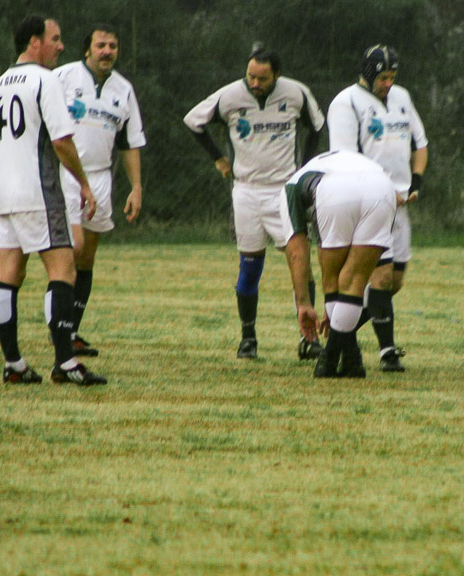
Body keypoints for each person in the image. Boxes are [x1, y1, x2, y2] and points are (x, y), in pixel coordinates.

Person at [0, 15, 106, 386]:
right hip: (39, 191)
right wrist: (83, 183)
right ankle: (66, 364)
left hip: (4, 193)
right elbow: (62, 141)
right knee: (63, 269)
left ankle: (14, 364)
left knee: (8, 274)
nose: (61, 46)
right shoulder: (45, 80)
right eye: (55, 38)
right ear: (34, 42)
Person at [183, 48, 326, 360]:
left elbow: (317, 125)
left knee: (299, 261)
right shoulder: (230, 96)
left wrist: (305, 167)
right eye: (251, 76)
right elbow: (193, 121)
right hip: (246, 190)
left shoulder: (296, 93)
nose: (255, 83)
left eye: (262, 78)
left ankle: (309, 338)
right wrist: (219, 159)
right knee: (250, 267)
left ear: (276, 74)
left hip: (284, 190)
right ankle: (248, 338)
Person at [326, 45, 428, 373]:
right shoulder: (346, 103)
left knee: (394, 282)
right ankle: (387, 353)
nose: (388, 84)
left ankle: (337, 336)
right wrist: (382, 190)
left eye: (392, 77)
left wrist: (415, 183)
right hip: (368, 200)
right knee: (380, 278)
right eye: (383, 77)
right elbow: (345, 158)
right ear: (369, 75)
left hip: (400, 202)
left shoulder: (402, 97)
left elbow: (420, 143)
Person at [54, 25, 146, 358]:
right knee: (73, 249)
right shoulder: (63, 77)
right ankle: (58, 324)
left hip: (101, 178)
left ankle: (72, 330)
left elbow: (130, 142)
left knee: (88, 256)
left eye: (113, 45)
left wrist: (136, 187)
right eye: (101, 45)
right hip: (65, 175)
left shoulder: (123, 89)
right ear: (87, 50)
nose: (107, 51)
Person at [278, 150, 397, 378]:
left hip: (334, 191)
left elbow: (296, 253)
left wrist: (303, 303)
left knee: (333, 280)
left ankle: (328, 360)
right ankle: (352, 360)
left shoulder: (290, 187)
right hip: (382, 185)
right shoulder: (335, 160)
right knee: (354, 282)